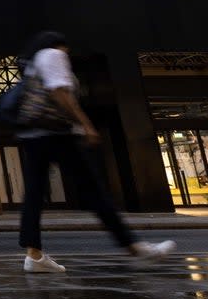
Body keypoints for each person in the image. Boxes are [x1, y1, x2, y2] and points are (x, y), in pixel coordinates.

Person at [15, 31, 176, 274]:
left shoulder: (32, 64)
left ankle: (34, 255)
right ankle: (134, 247)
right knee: (94, 191)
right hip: (57, 134)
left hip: (33, 134)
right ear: (60, 45)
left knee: (35, 195)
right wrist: (86, 124)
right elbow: (59, 92)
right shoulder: (53, 54)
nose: (67, 54)